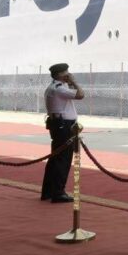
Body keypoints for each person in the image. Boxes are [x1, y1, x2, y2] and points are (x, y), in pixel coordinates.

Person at [40, 63, 83, 203]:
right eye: (66, 72)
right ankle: (58, 192)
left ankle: (48, 191)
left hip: (58, 124)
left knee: (55, 159)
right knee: (63, 160)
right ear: (60, 75)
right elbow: (81, 95)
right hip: (64, 126)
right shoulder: (59, 89)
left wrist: (69, 82)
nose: (69, 74)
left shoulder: (54, 87)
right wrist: (74, 82)